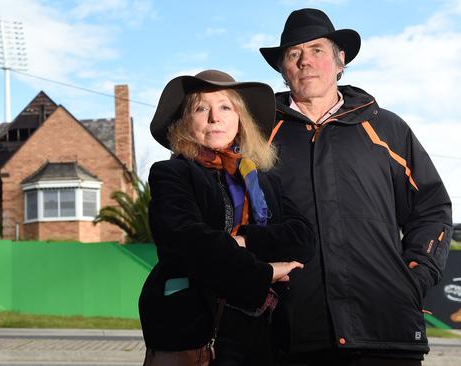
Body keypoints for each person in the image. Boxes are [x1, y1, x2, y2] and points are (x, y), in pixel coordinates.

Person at [259, 8, 453, 365]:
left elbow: (431, 207)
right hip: (291, 335)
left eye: (317, 50)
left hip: (386, 332)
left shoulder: (386, 128)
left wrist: (414, 277)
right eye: (294, 54)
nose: (306, 61)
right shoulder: (257, 137)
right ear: (282, 69)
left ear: (340, 60)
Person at [139, 69, 315, 365]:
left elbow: (303, 238)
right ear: (185, 122)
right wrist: (264, 272)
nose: (214, 117)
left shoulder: (264, 180)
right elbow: (189, 244)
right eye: (200, 108)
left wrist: (244, 239)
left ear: (239, 119)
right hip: (197, 333)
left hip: (264, 336)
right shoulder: (172, 174)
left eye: (225, 106)